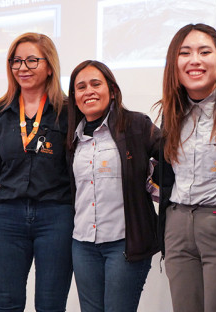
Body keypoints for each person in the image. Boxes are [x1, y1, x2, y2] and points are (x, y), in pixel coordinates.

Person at [0, 32, 73, 312]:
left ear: (49, 66)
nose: (23, 68)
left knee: (51, 306)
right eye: (16, 61)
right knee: (6, 305)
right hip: (7, 218)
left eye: (31, 60)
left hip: (56, 217)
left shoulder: (68, 111)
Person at [156, 23, 216, 312]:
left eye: (204, 51)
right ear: (175, 64)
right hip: (177, 223)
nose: (194, 60)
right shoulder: (172, 111)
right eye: (185, 53)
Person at [66, 60, 161, 312]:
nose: (89, 91)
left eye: (96, 84)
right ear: (74, 97)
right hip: (82, 244)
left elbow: (173, 155)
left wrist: (154, 184)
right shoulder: (71, 138)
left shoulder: (136, 125)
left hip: (124, 244)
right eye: (81, 87)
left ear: (112, 90)